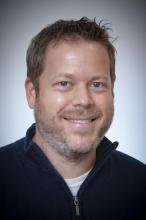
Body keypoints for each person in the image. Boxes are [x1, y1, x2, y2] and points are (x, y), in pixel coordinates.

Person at [0, 17, 146, 220]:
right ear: (32, 93)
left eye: (97, 84)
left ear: (112, 92)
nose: (83, 101)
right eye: (64, 83)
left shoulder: (140, 183)